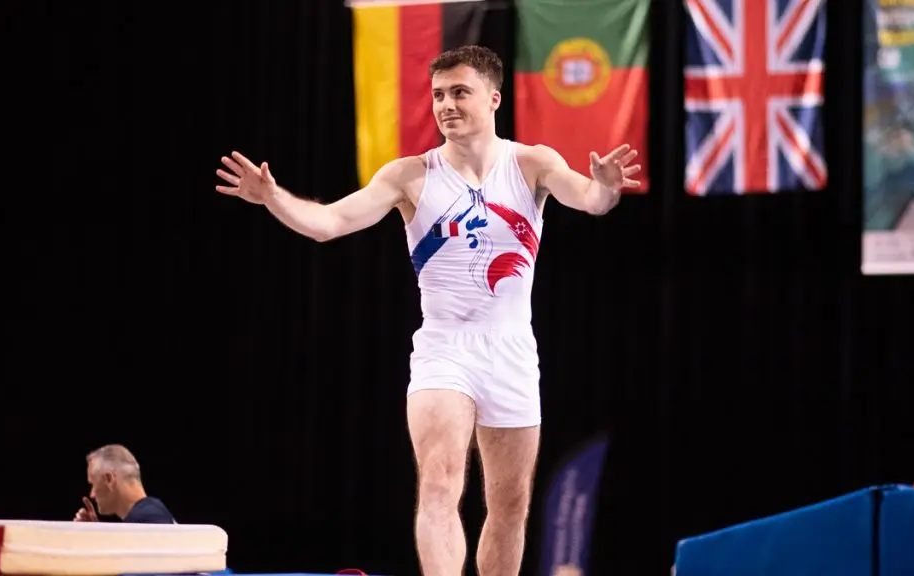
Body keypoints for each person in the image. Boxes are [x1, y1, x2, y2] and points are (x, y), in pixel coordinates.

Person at [215, 45, 641, 576]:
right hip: (445, 349)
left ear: (494, 97)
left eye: (459, 92)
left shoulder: (534, 163)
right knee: (439, 484)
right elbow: (328, 223)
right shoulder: (411, 176)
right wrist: (274, 198)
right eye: (438, 95)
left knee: (510, 506)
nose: (446, 105)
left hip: (511, 350)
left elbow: (591, 200)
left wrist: (603, 186)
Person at [74, 444, 176, 524]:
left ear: (109, 479)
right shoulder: (149, 514)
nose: (92, 495)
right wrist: (97, 533)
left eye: (93, 485)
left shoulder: (150, 518)